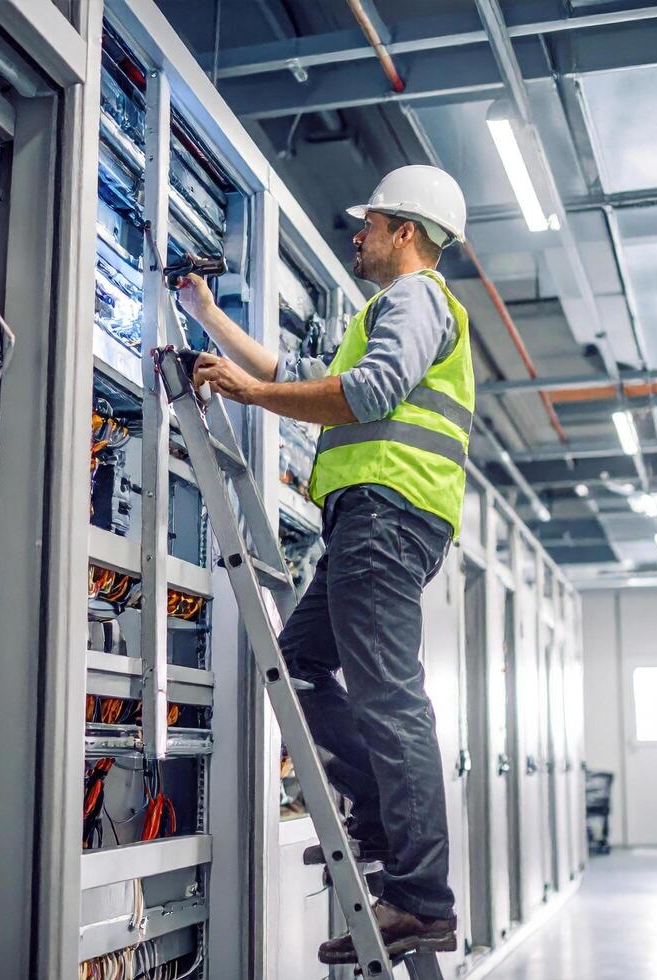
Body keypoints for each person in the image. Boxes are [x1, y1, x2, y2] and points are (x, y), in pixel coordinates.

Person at [173, 165, 473, 964]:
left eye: (368, 223)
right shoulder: (387, 309)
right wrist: (207, 318)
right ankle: (378, 830)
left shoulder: (414, 300)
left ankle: (419, 898)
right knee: (299, 667)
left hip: (385, 514)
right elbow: (293, 376)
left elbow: (368, 394)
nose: (357, 236)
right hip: (372, 522)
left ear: (403, 231)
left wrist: (241, 395)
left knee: (390, 699)